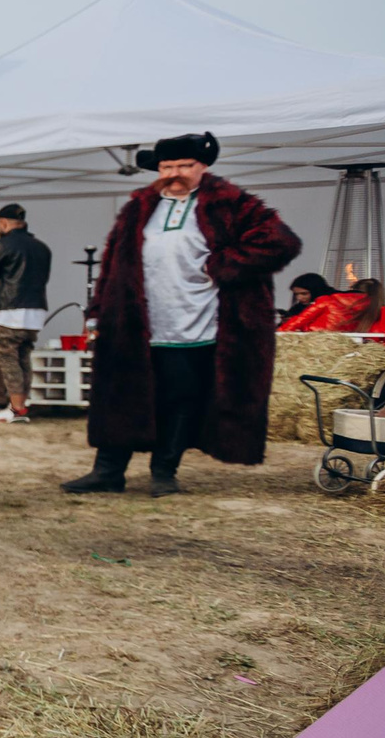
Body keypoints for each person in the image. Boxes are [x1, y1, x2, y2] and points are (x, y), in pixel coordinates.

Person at [63, 134, 301, 497]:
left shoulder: (230, 204)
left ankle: (164, 472)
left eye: (184, 166)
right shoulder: (139, 207)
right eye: (167, 166)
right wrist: (98, 311)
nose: (174, 173)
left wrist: (223, 265)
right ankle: (108, 471)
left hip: (196, 323)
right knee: (121, 396)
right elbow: (113, 261)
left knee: (179, 399)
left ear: (202, 166)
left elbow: (281, 241)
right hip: (135, 324)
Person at [0, 203, 52, 423]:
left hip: (9, 310)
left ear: (3, 223)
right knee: (24, 357)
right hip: (36, 311)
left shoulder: (3, 244)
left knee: (8, 359)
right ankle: (21, 406)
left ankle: (15, 409)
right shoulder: (42, 247)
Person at [282, 276, 384, 335]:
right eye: (296, 294)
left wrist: (279, 333)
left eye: (304, 294)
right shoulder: (373, 308)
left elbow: (298, 321)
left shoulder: (327, 300)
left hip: (315, 339)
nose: (299, 298)